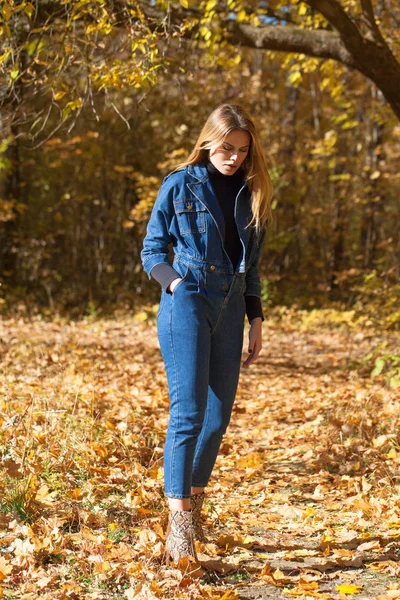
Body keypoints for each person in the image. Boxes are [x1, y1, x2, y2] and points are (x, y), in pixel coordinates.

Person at [140, 103, 273, 564]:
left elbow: (251, 266)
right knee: (189, 414)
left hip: (232, 305)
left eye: (241, 151)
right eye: (225, 148)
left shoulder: (252, 194)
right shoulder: (179, 184)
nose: (232, 157)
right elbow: (152, 249)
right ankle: (179, 524)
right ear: (208, 142)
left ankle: (195, 509)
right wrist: (175, 284)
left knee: (217, 420)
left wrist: (255, 318)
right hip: (188, 303)